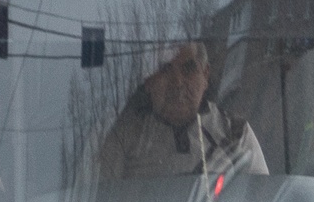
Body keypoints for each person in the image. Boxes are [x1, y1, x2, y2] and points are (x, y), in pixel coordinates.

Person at [97, 41, 268, 183]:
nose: (177, 82)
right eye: (164, 69)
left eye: (188, 69)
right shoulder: (123, 137)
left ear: (205, 75)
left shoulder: (235, 133)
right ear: (148, 80)